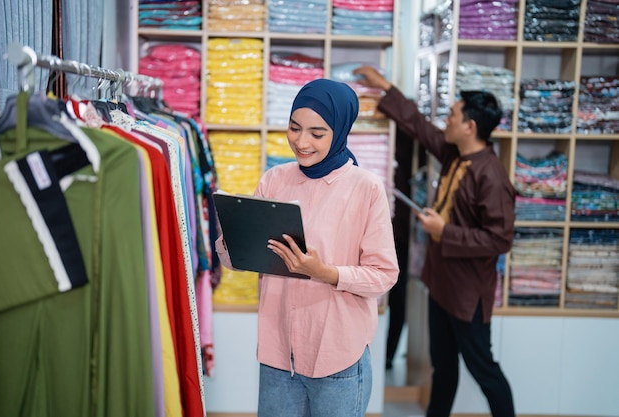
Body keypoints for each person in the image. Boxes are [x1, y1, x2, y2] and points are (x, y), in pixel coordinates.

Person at [215, 78, 399, 417]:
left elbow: (384, 275)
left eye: (317, 134)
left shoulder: (367, 189)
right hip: (278, 354)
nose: (301, 142)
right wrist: (233, 232)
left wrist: (325, 273)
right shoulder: (275, 179)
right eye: (294, 128)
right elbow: (235, 260)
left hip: (338, 358)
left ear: (340, 130)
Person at [353, 65, 516, 417]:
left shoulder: (491, 175)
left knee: (483, 369)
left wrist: (446, 231)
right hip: (441, 282)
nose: (447, 121)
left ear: (470, 127)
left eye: (454, 115)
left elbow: (500, 239)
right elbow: (420, 127)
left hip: (468, 291)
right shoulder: (456, 153)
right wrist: (385, 86)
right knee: (443, 367)